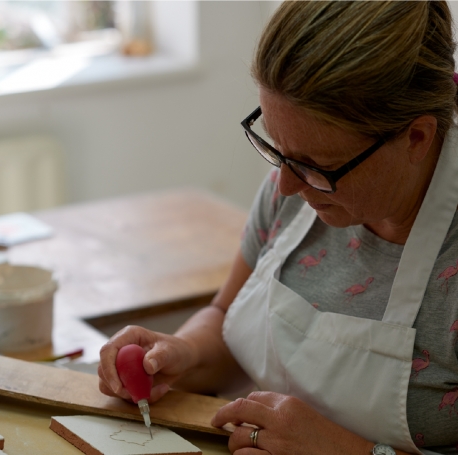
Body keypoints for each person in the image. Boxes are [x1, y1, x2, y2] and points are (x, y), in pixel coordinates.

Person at [98, 2, 458, 454]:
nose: (285, 186)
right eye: (278, 149)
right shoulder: (299, 185)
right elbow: (226, 320)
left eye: (316, 165)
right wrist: (180, 353)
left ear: (417, 138)